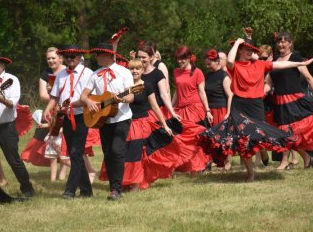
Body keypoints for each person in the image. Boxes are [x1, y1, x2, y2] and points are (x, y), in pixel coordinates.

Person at [201, 37, 313, 182]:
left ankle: (265, 153)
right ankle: (251, 173)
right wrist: (237, 43)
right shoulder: (235, 66)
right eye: (247, 49)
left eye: (251, 50)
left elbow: (281, 65)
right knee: (242, 138)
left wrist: (300, 63)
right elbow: (229, 61)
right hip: (239, 105)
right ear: (240, 50)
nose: (249, 52)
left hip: (256, 106)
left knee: (258, 136)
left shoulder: (261, 64)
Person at [99, 58, 174, 192]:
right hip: (123, 122)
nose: (134, 71)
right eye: (132, 68)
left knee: (135, 156)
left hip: (140, 125)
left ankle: (135, 184)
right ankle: (122, 182)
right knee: (122, 154)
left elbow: (155, 107)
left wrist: (165, 125)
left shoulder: (145, 86)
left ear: (142, 70)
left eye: (137, 68)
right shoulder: (123, 85)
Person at [81, 43, 134, 200]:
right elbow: (83, 96)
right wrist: (90, 102)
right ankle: (114, 187)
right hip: (103, 120)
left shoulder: (124, 72)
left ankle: (116, 190)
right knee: (108, 153)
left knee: (117, 151)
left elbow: (131, 96)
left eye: (99, 54)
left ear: (110, 56)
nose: (96, 57)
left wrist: (121, 98)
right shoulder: (95, 75)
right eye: (96, 54)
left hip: (122, 118)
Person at [43, 44, 93, 199]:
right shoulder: (61, 75)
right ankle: (86, 191)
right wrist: (47, 109)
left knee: (75, 152)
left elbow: (91, 98)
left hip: (81, 116)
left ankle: (69, 190)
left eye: (74, 56)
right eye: (68, 57)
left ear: (79, 57)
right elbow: (55, 96)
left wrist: (74, 104)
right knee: (74, 154)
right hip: (65, 116)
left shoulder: (88, 74)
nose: (70, 59)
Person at [265, 32, 313, 169]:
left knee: (292, 132)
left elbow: (309, 78)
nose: (281, 44)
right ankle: (306, 158)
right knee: (286, 132)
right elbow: (268, 84)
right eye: (279, 42)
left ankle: (284, 161)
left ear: (290, 43)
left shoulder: (296, 58)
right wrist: (257, 93)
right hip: (279, 101)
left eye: (284, 41)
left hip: (295, 100)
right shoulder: (274, 62)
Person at [21, 47, 70, 181]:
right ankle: (50, 175)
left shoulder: (68, 70)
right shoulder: (46, 73)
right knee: (44, 138)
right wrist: (55, 96)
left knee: (65, 140)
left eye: (53, 58)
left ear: (61, 58)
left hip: (67, 109)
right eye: (48, 58)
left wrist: (57, 95)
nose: (51, 61)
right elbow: (43, 95)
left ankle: (63, 173)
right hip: (51, 110)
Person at [0, 53, 35, 197]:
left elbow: (12, 103)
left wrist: (0, 99)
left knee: (13, 160)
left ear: (3, 66)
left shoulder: (11, 80)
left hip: (7, 127)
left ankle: (27, 189)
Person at [171, 45, 212, 173]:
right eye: (178, 59)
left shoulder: (197, 72)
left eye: (183, 58)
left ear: (189, 57)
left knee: (195, 139)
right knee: (181, 140)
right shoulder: (176, 72)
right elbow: (177, 92)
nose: (180, 61)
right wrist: (171, 108)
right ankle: (187, 166)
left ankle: (200, 165)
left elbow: (202, 92)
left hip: (195, 110)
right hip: (181, 110)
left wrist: (208, 111)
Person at [204, 49, 233, 170]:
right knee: (211, 137)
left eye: (210, 62)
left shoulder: (224, 75)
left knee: (223, 137)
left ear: (217, 61)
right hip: (210, 110)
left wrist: (228, 112)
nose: (208, 65)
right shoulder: (207, 75)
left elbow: (230, 95)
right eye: (206, 62)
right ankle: (211, 161)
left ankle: (227, 162)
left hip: (221, 109)